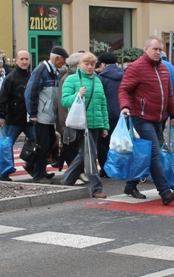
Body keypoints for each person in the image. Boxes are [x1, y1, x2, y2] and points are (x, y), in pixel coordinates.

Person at [118, 36, 174, 203]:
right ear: (146, 50)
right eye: (155, 49)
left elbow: (168, 94)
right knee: (154, 153)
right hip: (142, 117)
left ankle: (130, 185)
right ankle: (165, 192)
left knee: (146, 155)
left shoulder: (164, 69)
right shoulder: (136, 67)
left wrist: (173, 114)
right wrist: (125, 106)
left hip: (159, 118)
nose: (158, 52)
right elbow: (124, 89)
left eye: (160, 49)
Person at [60, 52, 109, 197]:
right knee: (90, 154)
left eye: (92, 64)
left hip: (96, 124)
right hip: (81, 123)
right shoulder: (71, 80)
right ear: (79, 65)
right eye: (86, 64)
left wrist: (105, 125)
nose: (89, 67)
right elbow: (64, 101)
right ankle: (97, 188)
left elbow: (103, 104)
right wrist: (77, 95)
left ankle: (68, 178)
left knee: (85, 153)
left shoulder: (97, 80)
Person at [25, 46, 67, 182]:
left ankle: (38, 169)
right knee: (42, 146)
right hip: (41, 115)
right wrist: (32, 113)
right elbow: (31, 91)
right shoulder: (42, 70)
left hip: (49, 115)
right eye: (63, 59)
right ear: (56, 58)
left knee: (48, 144)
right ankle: (38, 174)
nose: (64, 62)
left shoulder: (54, 72)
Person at [0, 49, 32, 181]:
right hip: (13, 119)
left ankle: (33, 168)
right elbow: (2, 98)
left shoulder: (32, 76)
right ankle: (3, 173)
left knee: (38, 143)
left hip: (29, 120)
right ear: (16, 61)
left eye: (26, 59)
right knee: (6, 147)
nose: (24, 62)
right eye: (21, 59)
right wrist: (1, 116)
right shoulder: (10, 78)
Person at [96, 51, 124, 173]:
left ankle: (106, 169)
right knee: (121, 143)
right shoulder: (125, 75)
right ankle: (120, 167)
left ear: (103, 64)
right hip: (123, 114)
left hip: (107, 115)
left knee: (103, 143)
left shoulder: (101, 78)